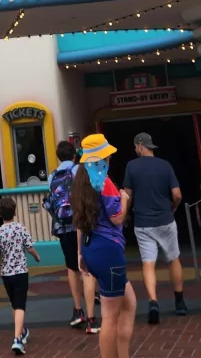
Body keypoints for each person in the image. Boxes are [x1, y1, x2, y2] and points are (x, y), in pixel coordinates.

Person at [72, 134, 137, 358]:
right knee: (109, 316)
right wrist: (125, 199)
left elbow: (80, 221)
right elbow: (117, 217)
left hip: (92, 250)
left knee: (129, 303)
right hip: (109, 251)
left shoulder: (80, 182)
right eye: (108, 155)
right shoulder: (105, 182)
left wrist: (80, 252)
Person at [122, 132, 186, 324]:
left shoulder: (131, 166)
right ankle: (180, 303)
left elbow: (127, 195)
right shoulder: (165, 165)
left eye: (135, 146)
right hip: (166, 220)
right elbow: (177, 194)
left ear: (140, 146)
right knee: (173, 259)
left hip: (143, 223)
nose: (135, 150)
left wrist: (125, 216)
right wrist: (172, 208)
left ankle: (153, 301)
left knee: (148, 263)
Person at [46, 140, 100, 333]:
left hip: (62, 227)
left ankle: (78, 310)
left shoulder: (52, 176)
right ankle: (92, 315)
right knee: (86, 267)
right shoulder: (79, 171)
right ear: (74, 155)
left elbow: (50, 202)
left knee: (71, 267)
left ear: (58, 156)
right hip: (81, 224)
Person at [0, 196, 40, 355]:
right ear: (15, 212)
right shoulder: (21, 229)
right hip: (21, 272)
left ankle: (21, 331)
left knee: (13, 303)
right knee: (20, 305)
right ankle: (17, 339)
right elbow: (30, 248)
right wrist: (37, 257)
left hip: (6, 274)